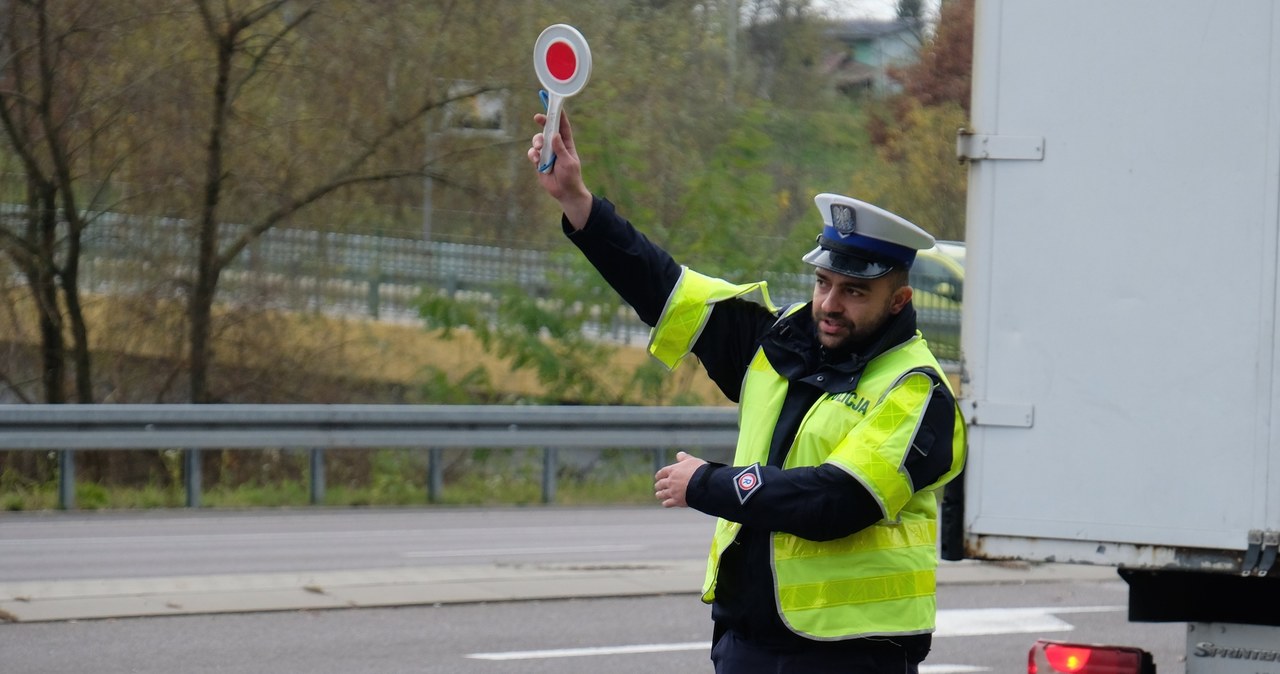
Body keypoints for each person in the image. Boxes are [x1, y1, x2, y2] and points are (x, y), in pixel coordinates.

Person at [528, 109, 966, 674]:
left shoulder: (918, 390)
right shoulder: (779, 339)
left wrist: (708, 483)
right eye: (823, 283)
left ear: (899, 302)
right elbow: (665, 288)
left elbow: (835, 501)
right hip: (748, 644)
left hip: (853, 656)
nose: (830, 305)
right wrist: (577, 202)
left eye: (855, 292)